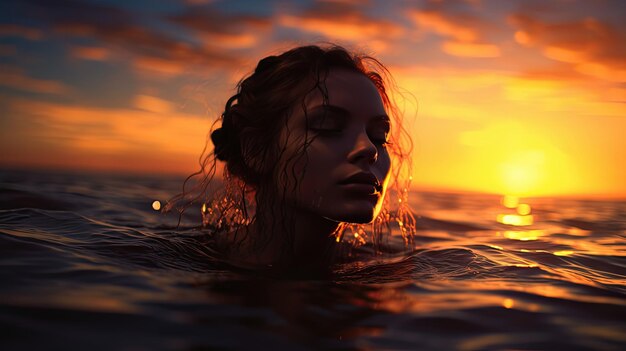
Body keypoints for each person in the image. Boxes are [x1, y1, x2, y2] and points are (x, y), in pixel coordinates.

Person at [167, 44, 415, 275]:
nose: (369, 149)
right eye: (328, 126)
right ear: (256, 150)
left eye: (379, 136)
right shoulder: (182, 264)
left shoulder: (391, 269)